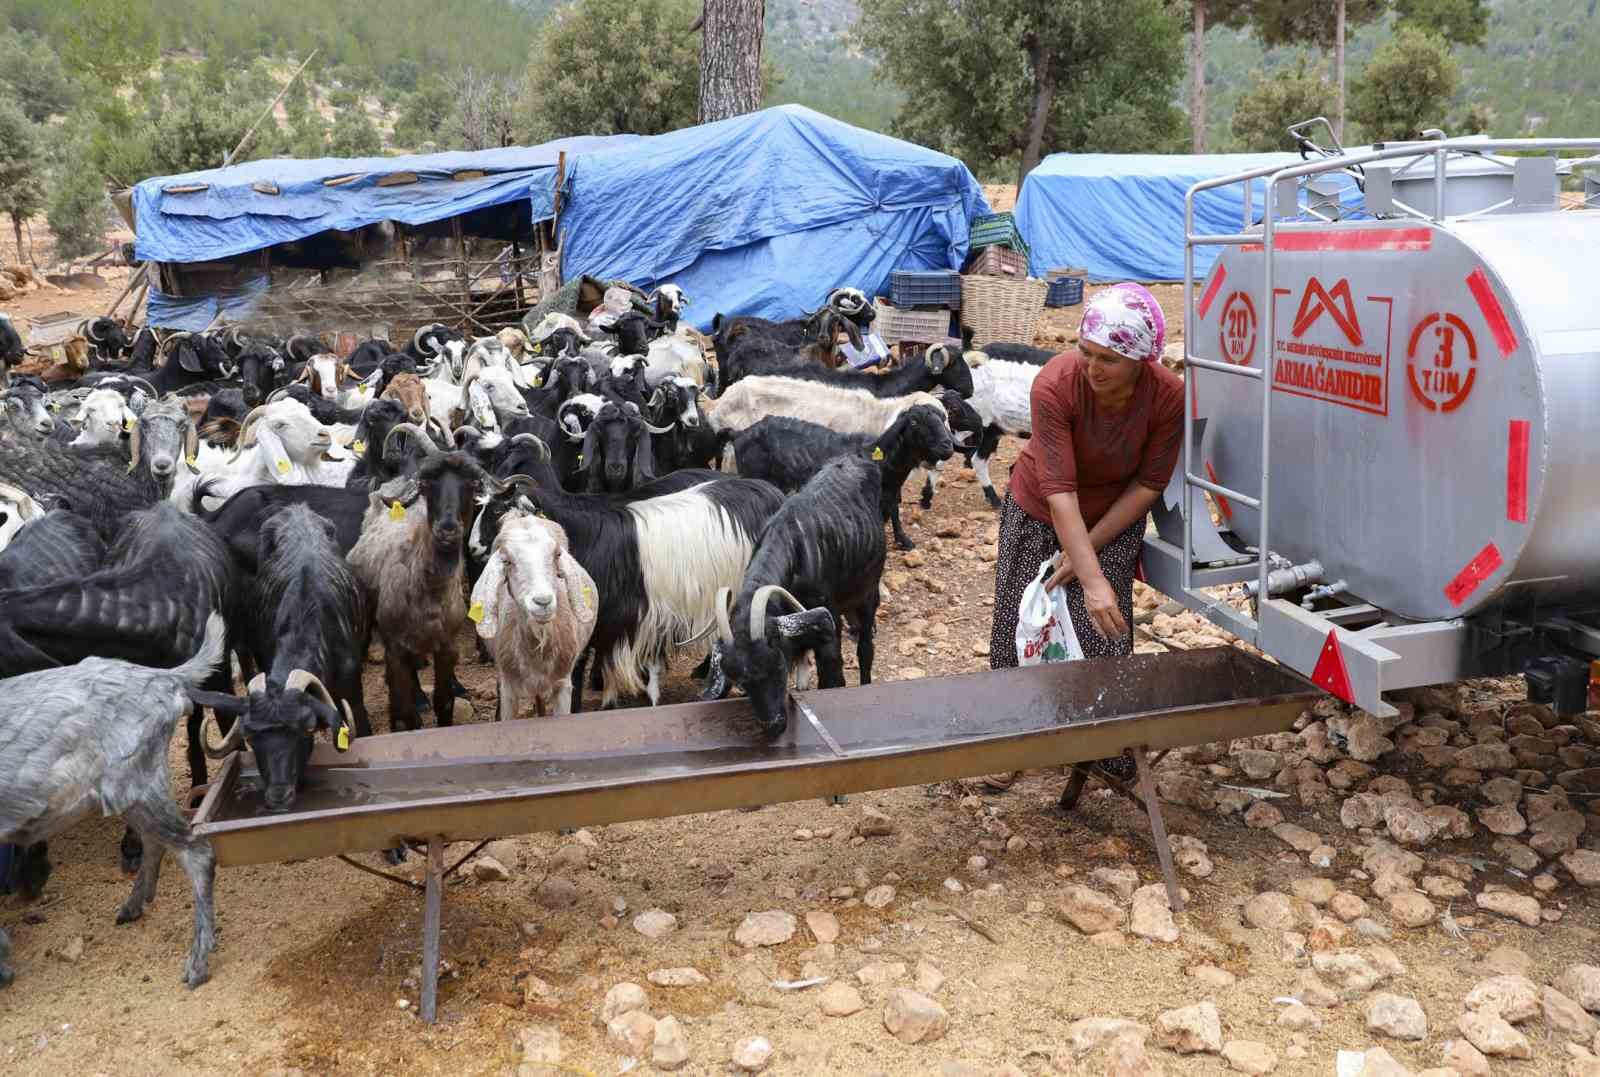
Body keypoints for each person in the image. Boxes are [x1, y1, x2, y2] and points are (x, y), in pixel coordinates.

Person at [985, 283, 1184, 790]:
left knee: (1103, 630)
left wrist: (1089, 560)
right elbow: (1059, 492)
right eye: (1086, 352)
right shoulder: (1055, 385)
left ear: (1142, 360)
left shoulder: (1167, 396)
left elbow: (1148, 484)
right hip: (1041, 511)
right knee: (1023, 622)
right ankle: (1016, 742)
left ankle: (1105, 751)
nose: (1093, 368)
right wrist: (1089, 576)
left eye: (1109, 359)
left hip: (1114, 516)